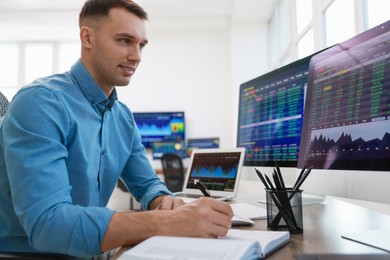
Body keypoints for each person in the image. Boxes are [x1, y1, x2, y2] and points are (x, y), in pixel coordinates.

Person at [0, 0, 233, 258]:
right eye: (124, 41)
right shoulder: (40, 103)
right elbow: (48, 224)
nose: (136, 56)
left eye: (141, 45)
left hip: (93, 252)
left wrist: (164, 202)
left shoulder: (122, 118)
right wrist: (169, 222)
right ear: (87, 37)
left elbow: (148, 185)